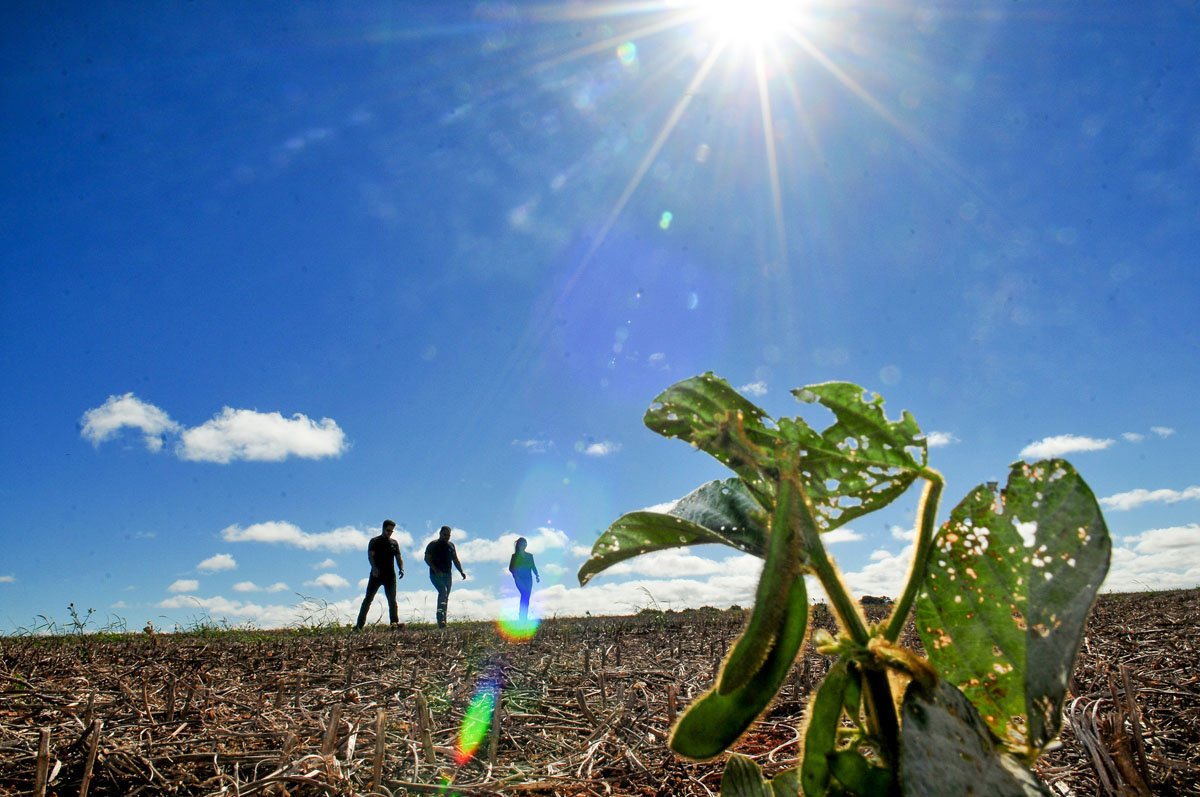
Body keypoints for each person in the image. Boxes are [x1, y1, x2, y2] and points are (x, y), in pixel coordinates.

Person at [355, 519, 404, 630]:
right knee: (368, 599)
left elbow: (399, 557)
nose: (389, 533)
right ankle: (359, 626)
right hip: (376, 575)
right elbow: (370, 556)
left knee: (392, 601)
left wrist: (401, 568)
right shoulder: (374, 541)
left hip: (390, 576)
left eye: (392, 531)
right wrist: (374, 568)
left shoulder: (394, 543)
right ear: (383, 528)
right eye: (388, 530)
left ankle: (394, 625)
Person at [424, 525, 466, 628]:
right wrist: (435, 569)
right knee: (443, 592)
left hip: (448, 575)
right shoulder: (433, 544)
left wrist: (461, 571)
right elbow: (426, 558)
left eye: (448, 535)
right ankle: (440, 620)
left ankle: (444, 621)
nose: (446, 537)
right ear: (440, 534)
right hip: (435, 575)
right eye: (444, 535)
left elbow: (455, 559)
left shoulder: (451, 546)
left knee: (446, 596)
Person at [508, 537, 540, 621]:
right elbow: (511, 568)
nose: (524, 545)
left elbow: (533, 566)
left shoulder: (529, 556)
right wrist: (516, 575)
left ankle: (523, 616)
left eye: (525, 544)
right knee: (524, 594)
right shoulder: (514, 556)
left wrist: (537, 575)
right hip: (519, 579)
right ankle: (522, 616)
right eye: (522, 544)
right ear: (518, 545)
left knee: (526, 596)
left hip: (529, 579)